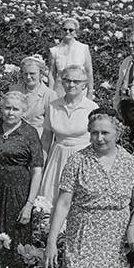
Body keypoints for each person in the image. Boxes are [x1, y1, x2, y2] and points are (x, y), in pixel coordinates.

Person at [44, 111, 134, 268]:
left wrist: (133, 226)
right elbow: (63, 204)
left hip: (116, 243)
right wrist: (52, 241)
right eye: (94, 133)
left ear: (118, 132)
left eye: (105, 133)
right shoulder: (78, 161)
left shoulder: (130, 163)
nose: (99, 138)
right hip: (83, 240)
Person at [0, 91, 44, 256]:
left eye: (15, 109)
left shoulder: (29, 133)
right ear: (1, 109)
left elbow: (37, 169)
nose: (10, 113)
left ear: (23, 111)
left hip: (16, 192)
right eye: (7, 108)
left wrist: (29, 204)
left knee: (15, 234)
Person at [39, 66, 99, 207]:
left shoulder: (92, 108)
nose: (71, 85)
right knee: (52, 199)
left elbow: (98, 140)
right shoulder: (53, 106)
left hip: (83, 158)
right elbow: (46, 138)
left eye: (76, 81)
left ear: (84, 84)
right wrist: (41, 165)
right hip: (57, 158)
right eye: (67, 80)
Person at [11, 55, 57, 138]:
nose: (28, 77)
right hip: (15, 138)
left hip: (37, 140)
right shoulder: (14, 90)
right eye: (25, 74)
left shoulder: (49, 95)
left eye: (32, 73)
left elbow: (51, 128)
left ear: (41, 74)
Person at [48, 17, 94, 98]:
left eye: (71, 30)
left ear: (76, 32)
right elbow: (52, 74)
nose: (67, 32)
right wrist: (50, 93)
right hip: (60, 91)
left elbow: (89, 72)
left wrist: (90, 92)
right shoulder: (54, 50)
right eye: (65, 29)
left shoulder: (83, 48)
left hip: (79, 90)